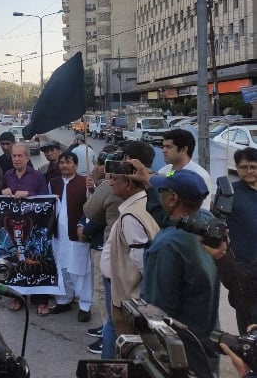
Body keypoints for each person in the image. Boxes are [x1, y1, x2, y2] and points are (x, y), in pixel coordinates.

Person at [130, 166, 220, 377]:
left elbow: (157, 311)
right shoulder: (208, 222)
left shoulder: (167, 246)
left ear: (173, 199)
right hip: (206, 341)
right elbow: (168, 217)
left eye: (163, 192)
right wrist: (149, 182)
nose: (159, 195)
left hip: (180, 352)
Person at [105, 143, 159, 349]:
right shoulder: (142, 205)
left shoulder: (132, 216)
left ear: (128, 184)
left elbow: (143, 262)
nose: (110, 184)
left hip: (131, 302)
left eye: (115, 179)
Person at [81, 145, 124, 356]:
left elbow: (92, 211)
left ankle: (109, 334)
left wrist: (97, 189)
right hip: (114, 247)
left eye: (101, 164)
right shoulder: (107, 184)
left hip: (106, 246)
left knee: (104, 292)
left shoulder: (110, 185)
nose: (97, 167)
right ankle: (107, 327)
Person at [1, 143, 49, 314]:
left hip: (34, 227)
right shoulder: (7, 175)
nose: (16, 159)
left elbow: (46, 201)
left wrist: (29, 195)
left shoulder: (37, 176)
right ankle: (18, 297)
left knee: (35, 261)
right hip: (15, 228)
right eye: (14, 156)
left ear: (27, 157)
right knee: (17, 262)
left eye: (20, 156)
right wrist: (4, 193)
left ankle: (40, 300)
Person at [49, 151, 93, 323]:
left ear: (76, 165)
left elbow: (93, 205)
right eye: (62, 162)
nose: (65, 165)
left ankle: (84, 305)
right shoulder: (53, 183)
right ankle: (64, 299)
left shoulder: (85, 182)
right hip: (58, 236)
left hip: (77, 235)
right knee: (62, 269)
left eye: (68, 162)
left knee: (81, 271)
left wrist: (93, 187)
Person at [224, 147, 257, 333]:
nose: (249, 171)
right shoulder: (230, 193)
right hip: (244, 272)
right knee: (249, 329)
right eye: (243, 167)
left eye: (253, 166)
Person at [156, 129, 211, 210]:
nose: (163, 150)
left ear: (183, 150)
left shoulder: (199, 176)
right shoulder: (163, 172)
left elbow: (201, 213)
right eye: (163, 146)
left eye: (168, 147)